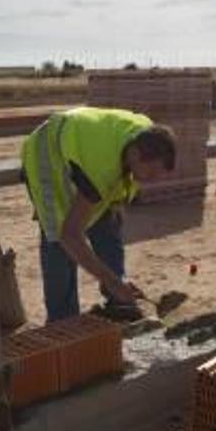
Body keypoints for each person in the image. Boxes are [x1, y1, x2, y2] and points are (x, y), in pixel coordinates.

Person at [20, 106, 177, 322]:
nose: (151, 181)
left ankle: (119, 301)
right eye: (150, 173)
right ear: (136, 156)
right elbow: (70, 235)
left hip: (82, 144)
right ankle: (63, 321)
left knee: (109, 222)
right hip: (46, 154)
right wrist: (111, 281)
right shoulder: (100, 168)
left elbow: (112, 201)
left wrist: (116, 281)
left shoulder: (147, 137)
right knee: (58, 241)